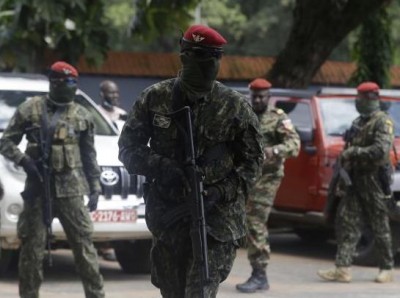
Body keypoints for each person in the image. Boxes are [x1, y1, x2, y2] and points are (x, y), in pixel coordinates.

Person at [118, 24, 263, 298]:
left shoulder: (233, 106)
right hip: (168, 217)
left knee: (199, 291)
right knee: (172, 292)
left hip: (217, 220)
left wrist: (221, 190)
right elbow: (128, 148)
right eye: (200, 56)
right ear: (184, 56)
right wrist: (163, 167)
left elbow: (253, 161)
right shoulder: (155, 98)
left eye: (215, 57)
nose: (209, 64)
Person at [0, 61, 105, 297]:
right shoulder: (30, 109)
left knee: (84, 248)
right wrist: (25, 161)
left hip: (72, 193)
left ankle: (96, 294)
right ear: (53, 83)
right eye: (63, 82)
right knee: (31, 252)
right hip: (37, 190)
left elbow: (89, 156)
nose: (68, 87)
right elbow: (6, 142)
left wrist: (95, 187)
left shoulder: (82, 115)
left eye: (71, 83)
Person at [317, 81, 395, 283]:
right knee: (346, 223)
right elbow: (347, 146)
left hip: (373, 180)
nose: (357, 102)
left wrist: (354, 152)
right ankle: (342, 268)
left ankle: (386, 267)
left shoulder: (382, 122)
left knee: (379, 224)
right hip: (354, 179)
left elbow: (381, 152)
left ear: (370, 99)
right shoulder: (358, 122)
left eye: (360, 98)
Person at [236, 78, 300, 293]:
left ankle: (259, 275)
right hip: (245, 176)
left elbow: (294, 144)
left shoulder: (278, 118)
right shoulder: (244, 115)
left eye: (262, 96)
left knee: (255, 222)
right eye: (255, 96)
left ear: (269, 96)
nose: (258, 99)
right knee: (240, 221)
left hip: (268, 178)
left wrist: (275, 151)